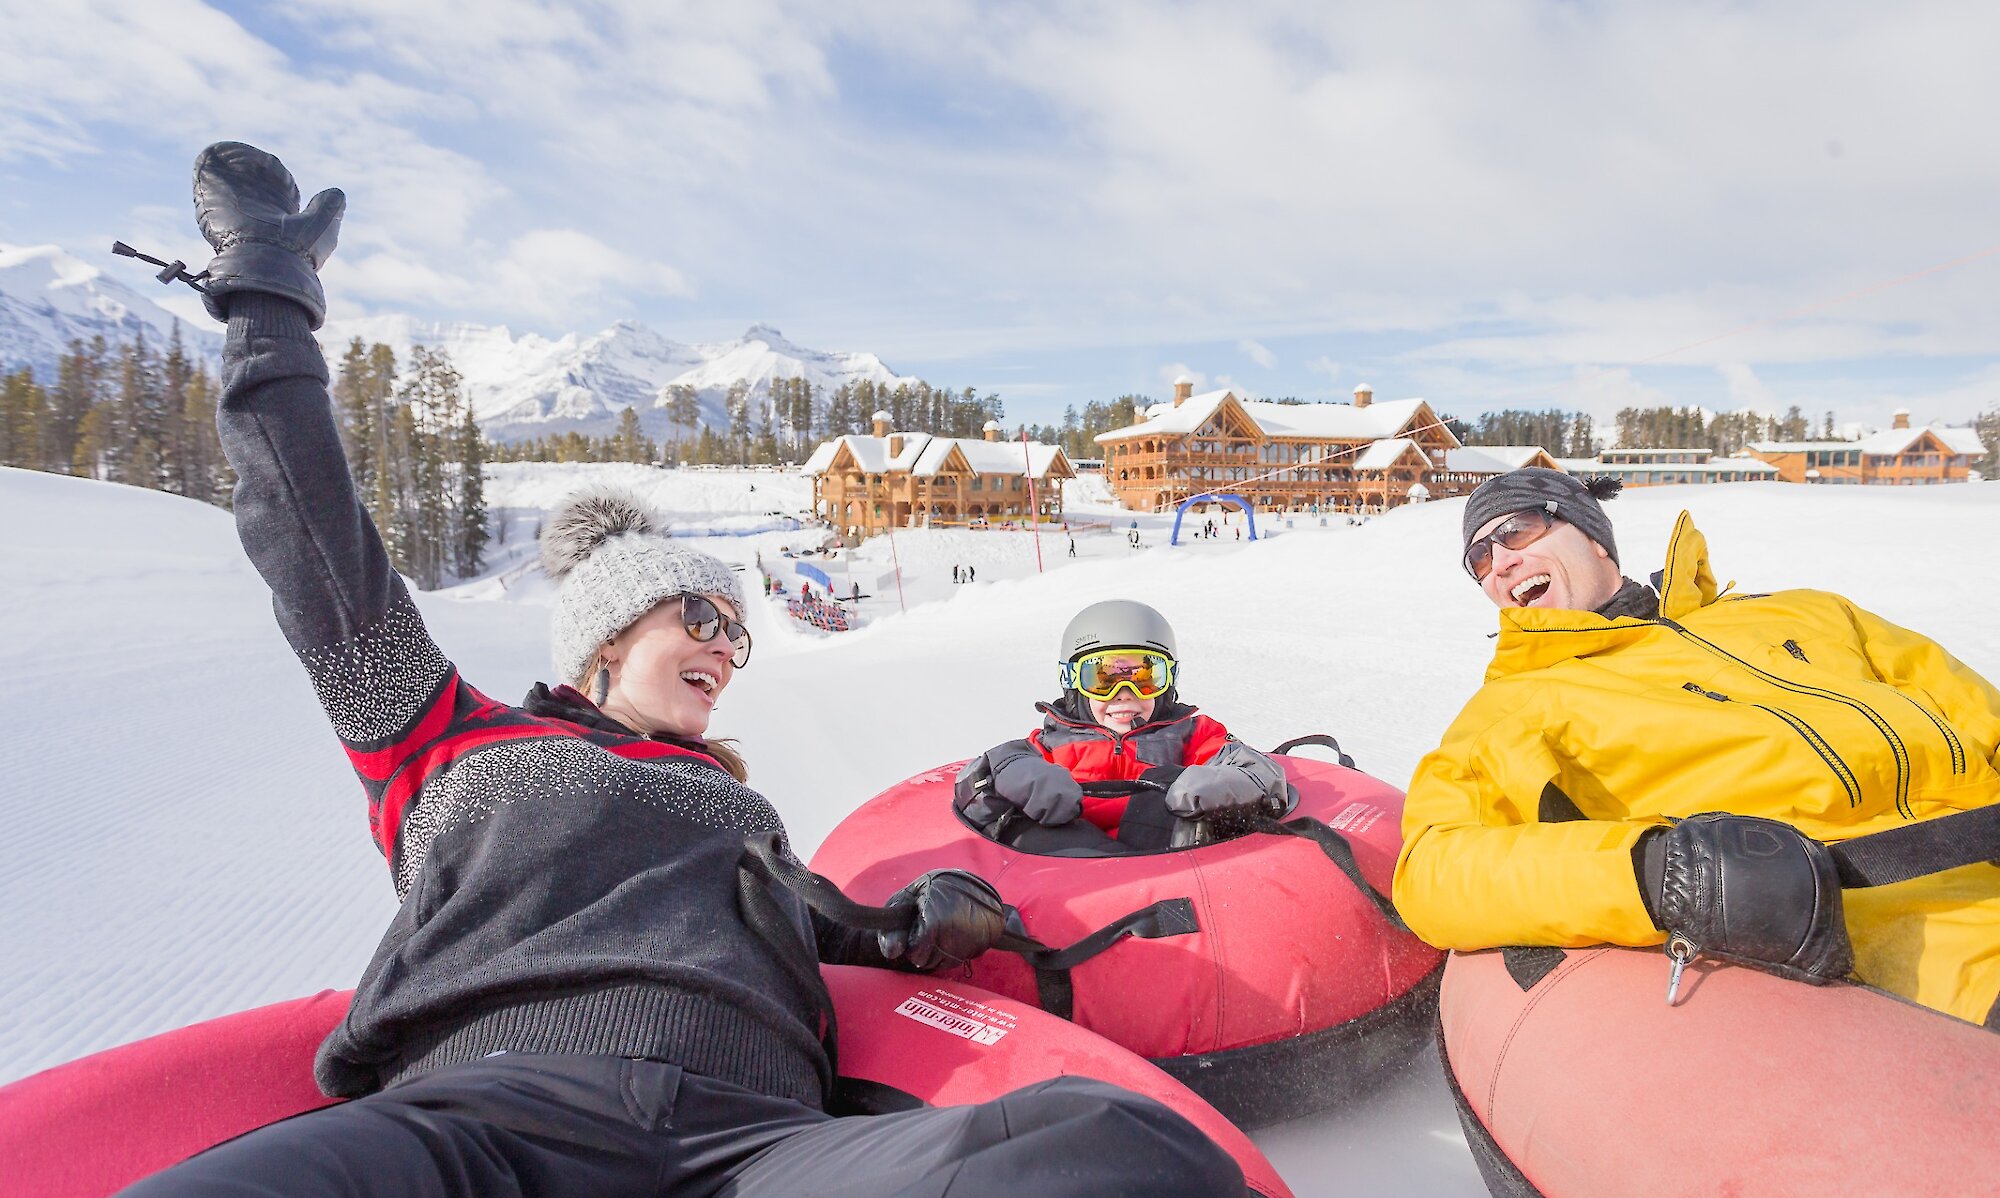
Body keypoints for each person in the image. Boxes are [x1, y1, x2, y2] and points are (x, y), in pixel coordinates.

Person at [126, 142, 1241, 1198]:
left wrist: (921, 916)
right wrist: (269, 299)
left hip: (754, 1146)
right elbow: (316, 552)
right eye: (701, 614)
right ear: (607, 636)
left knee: (1125, 1151)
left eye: (738, 635)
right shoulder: (448, 739)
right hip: (486, 1122)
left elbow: (842, 933)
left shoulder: (736, 808)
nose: (724, 644)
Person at [1394, 467, 2000, 1026]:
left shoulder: (1810, 612)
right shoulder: (1520, 701)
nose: (1497, 561)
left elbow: (1977, 708)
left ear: (1593, 537)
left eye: (1516, 530)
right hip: (1901, 940)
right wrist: (1656, 869)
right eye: (1478, 557)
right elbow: (1434, 869)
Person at [954, 600, 1292, 852]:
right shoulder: (1052, 745)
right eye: (1103, 679)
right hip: (1071, 874)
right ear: (1072, 682)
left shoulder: (1190, 735)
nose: (1124, 695)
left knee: (1164, 802)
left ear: (1169, 681)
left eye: (1145, 677)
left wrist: (1215, 786)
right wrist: (1012, 773)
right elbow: (984, 779)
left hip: (1168, 867)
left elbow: (1257, 771)